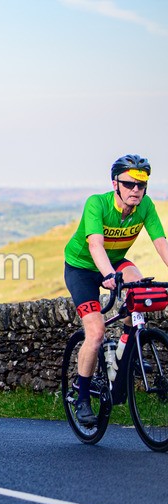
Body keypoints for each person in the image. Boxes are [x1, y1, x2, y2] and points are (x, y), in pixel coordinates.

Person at [64, 154, 167, 426]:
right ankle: (82, 395)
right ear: (115, 184)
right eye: (129, 184)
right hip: (83, 267)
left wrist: (115, 271)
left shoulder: (145, 206)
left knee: (140, 292)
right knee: (96, 331)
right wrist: (108, 274)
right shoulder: (96, 204)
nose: (136, 190)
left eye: (141, 185)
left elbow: (161, 243)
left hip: (117, 260)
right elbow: (96, 244)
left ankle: (123, 349)